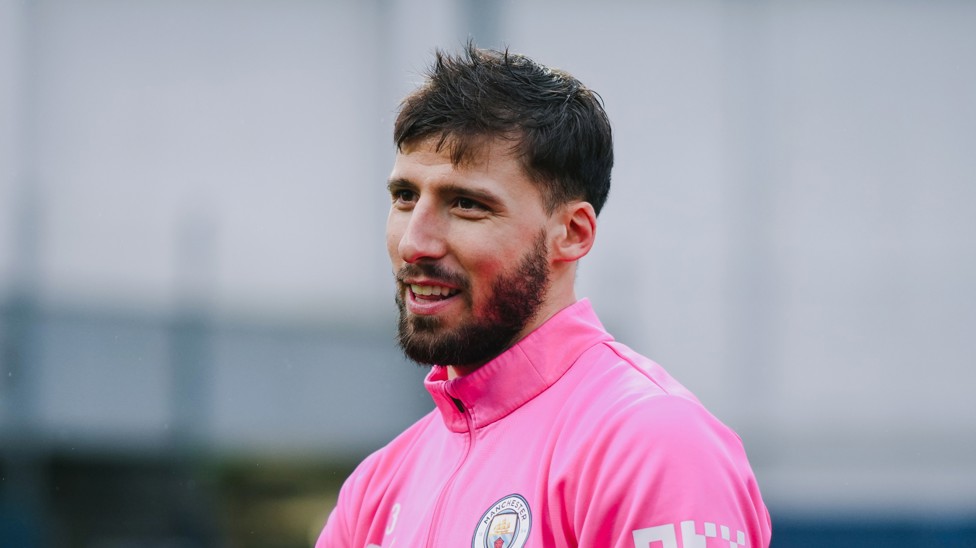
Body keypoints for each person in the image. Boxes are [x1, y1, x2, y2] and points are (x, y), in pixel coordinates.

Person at [317, 43, 771, 548]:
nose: (414, 243)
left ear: (572, 233)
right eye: (405, 197)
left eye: (467, 204)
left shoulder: (651, 443)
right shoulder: (377, 490)